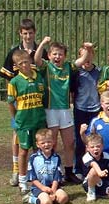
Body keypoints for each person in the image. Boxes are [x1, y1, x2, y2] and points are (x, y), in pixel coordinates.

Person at [34, 36, 92, 184]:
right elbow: (36, 59)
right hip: (50, 109)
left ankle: (68, 172)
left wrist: (86, 48)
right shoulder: (46, 67)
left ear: (64, 56)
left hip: (65, 110)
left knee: (70, 142)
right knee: (51, 142)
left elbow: (82, 60)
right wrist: (42, 43)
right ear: (49, 55)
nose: (57, 57)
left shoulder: (68, 66)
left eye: (60, 54)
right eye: (54, 54)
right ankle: (52, 172)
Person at [0, 18, 48, 187]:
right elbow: (8, 79)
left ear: (35, 33)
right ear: (20, 34)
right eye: (25, 33)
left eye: (30, 33)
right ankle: (16, 170)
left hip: (36, 105)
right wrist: (12, 103)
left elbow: (45, 74)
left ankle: (38, 171)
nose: (28, 36)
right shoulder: (14, 52)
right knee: (18, 138)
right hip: (21, 106)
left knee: (38, 141)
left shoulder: (40, 51)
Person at [7, 49, 47, 194]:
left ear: (30, 61)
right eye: (20, 63)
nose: (24, 65)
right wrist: (15, 120)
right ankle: (23, 181)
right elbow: (11, 103)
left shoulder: (39, 78)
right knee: (23, 151)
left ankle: (39, 179)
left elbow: (42, 98)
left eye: (26, 61)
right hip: (24, 122)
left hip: (39, 120)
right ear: (16, 66)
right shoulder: (14, 82)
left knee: (39, 150)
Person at [80, 91, 109, 187]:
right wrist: (82, 133)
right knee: (99, 179)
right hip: (99, 157)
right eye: (107, 103)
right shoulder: (95, 121)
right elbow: (88, 141)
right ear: (101, 104)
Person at [70, 44, 101, 179]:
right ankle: (78, 168)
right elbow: (72, 90)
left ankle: (95, 165)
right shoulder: (76, 72)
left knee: (94, 139)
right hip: (80, 109)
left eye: (89, 55)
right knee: (80, 139)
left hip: (95, 109)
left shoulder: (99, 71)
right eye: (84, 55)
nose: (87, 58)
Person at [23, 129, 69, 204]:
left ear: (53, 142)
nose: (46, 144)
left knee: (63, 199)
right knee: (47, 203)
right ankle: (30, 198)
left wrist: (53, 191)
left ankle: (51, 197)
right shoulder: (33, 158)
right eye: (43, 143)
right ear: (37, 144)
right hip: (39, 187)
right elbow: (32, 177)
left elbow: (57, 176)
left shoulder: (56, 157)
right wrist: (43, 188)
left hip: (53, 186)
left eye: (49, 142)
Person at [81, 133, 109, 202]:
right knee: (93, 171)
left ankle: (102, 194)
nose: (95, 149)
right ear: (87, 148)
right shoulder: (86, 157)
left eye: (98, 146)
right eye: (92, 147)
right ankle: (91, 192)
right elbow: (94, 164)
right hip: (89, 182)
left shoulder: (106, 156)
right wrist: (100, 172)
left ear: (102, 146)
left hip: (103, 181)